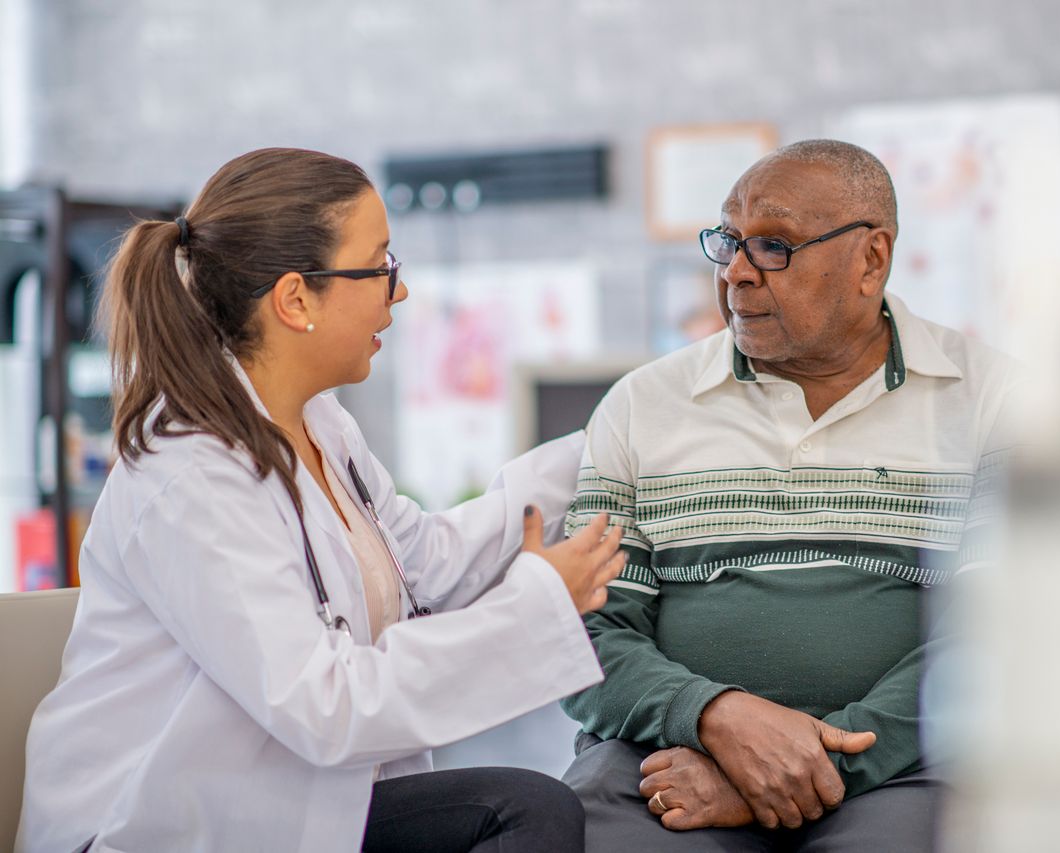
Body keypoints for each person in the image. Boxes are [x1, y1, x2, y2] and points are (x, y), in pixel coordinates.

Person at [16, 148, 625, 853]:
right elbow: (324, 705)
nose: (398, 293)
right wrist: (537, 600)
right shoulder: (187, 473)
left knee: (528, 804)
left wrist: (611, 444)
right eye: (381, 265)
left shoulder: (321, 425)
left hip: (275, 802)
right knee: (529, 811)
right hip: (163, 828)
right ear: (295, 298)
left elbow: (424, 563)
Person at [559, 139, 1020, 852]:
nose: (736, 274)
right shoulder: (641, 404)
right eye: (728, 242)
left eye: (774, 246)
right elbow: (577, 639)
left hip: (906, 769)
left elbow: (998, 638)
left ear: (871, 259)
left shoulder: (992, 400)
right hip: (670, 757)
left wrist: (811, 769)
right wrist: (715, 715)